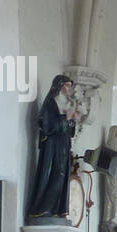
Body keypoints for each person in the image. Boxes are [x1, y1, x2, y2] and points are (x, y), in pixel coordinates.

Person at [25, 74, 80, 220]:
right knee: (53, 174)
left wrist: (72, 121)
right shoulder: (50, 103)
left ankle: (57, 209)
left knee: (62, 175)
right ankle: (43, 208)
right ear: (59, 85)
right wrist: (65, 118)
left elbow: (69, 131)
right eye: (67, 85)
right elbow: (46, 125)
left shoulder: (66, 104)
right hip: (52, 146)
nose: (69, 88)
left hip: (63, 145)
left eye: (70, 85)